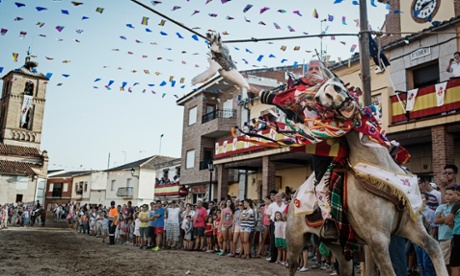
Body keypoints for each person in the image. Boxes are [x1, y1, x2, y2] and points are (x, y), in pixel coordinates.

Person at [414, 192, 436, 276]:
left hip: (427, 240)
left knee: (427, 263)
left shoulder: (430, 212)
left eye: (423, 198)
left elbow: (434, 226)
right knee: (420, 263)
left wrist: (432, 238)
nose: (421, 200)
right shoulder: (415, 212)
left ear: (427, 200)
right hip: (417, 240)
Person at [434, 186, 455, 274]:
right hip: (443, 238)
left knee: (453, 263)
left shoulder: (456, 207)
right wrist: (447, 219)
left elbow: (454, 222)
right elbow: (436, 221)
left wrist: (444, 218)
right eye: (446, 194)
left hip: (453, 238)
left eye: (450, 194)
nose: (447, 196)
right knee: (444, 262)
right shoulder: (441, 207)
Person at [444, 186, 460, 276]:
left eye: (457, 194)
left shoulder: (457, 206)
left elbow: (447, 220)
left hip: (458, 236)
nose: (455, 196)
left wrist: (449, 221)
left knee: (454, 264)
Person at [267, 193, 287, 263]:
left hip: (284, 223)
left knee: (283, 239)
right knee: (274, 240)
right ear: (274, 198)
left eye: (279, 196)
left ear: (282, 197)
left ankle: (282, 258)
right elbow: (268, 215)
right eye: (277, 196)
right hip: (274, 223)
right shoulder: (271, 205)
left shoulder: (285, 205)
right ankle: (273, 257)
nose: (278, 197)